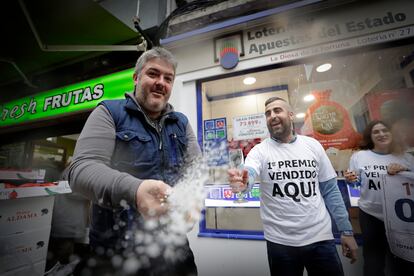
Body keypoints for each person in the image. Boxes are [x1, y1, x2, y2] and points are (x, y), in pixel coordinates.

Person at [68, 47, 201, 276]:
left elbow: (196, 171)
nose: (161, 82)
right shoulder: (110, 112)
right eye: (153, 74)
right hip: (115, 255)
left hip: (174, 249)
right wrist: (135, 190)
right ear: (136, 77)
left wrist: (193, 200)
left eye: (168, 78)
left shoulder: (181, 123)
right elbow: (81, 170)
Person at [228, 96, 358, 276]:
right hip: (280, 243)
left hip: (320, 239)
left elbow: (330, 190)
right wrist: (243, 182)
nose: (272, 116)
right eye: (267, 113)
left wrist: (346, 230)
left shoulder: (312, 146)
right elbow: (249, 173)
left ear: (290, 115)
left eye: (277, 111)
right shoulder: (259, 151)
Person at [344, 120, 414, 276]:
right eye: (376, 132)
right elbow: (355, 185)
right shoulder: (359, 157)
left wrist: (404, 171)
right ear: (370, 136)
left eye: (385, 130)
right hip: (370, 214)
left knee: (404, 260)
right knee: (373, 262)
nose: (381, 134)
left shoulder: (406, 158)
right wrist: (351, 181)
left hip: (401, 217)